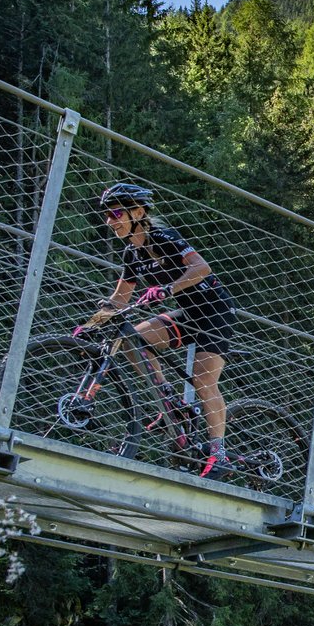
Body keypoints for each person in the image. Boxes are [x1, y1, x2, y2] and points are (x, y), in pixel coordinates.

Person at [77, 183, 237, 478]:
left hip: (216, 311)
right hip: (188, 312)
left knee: (203, 380)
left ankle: (219, 453)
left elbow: (202, 268)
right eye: (107, 215)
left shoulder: (164, 237)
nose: (110, 222)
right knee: (132, 339)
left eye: (115, 213)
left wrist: (167, 289)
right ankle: (169, 404)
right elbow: (118, 301)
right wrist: (89, 325)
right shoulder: (131, 255)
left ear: (137, 212)